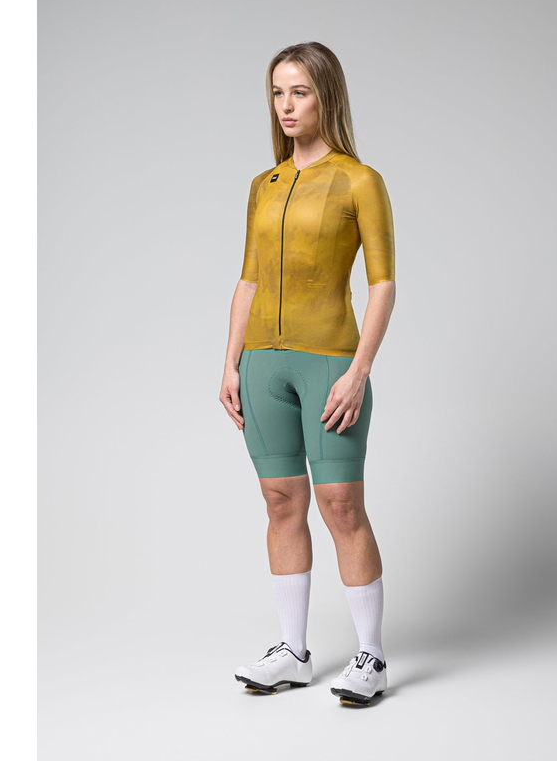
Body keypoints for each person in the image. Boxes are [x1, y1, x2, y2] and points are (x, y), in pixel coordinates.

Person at [219, 41, 396, 706]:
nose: (286, 106)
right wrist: (230, 362)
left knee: (341, 505)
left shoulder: (359, 180)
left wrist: (359, 371)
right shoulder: (262, 186)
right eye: (277, 93)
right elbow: (248, 280)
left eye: (300, 92)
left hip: (329, 363)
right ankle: (292, 653)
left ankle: (371, 657)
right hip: (262, 364)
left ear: (327, 97)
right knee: (280, 501)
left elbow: (383, 285)